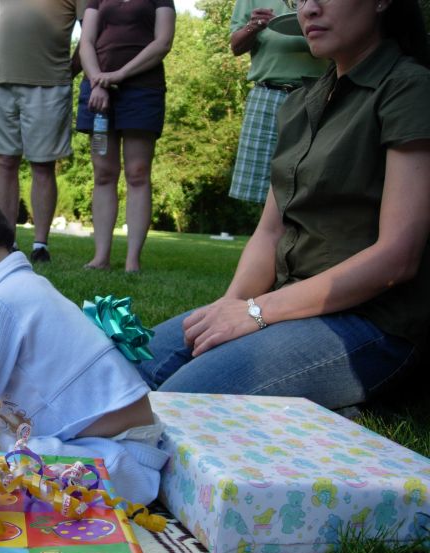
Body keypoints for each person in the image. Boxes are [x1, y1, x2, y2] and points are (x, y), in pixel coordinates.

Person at [137, 0, 430, 411]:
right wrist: (231, 305)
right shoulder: (300, 104)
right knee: (121, 372)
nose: (309, 9)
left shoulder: (410, 88)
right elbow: (270, 232)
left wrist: (257, 312)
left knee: (174, 407)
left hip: (371, 322)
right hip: (288, 307)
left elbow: (397, 256)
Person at [0, 178, 168, 505]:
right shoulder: (22, 288)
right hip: (119, 449)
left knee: (13, 464)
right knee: (7, 448)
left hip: (116, 462)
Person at [0, 0, 87, 263]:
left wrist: (72, 68)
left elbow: (89, 32)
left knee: (43, 165)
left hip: (50, 84)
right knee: (4, 161)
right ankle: (6, 243)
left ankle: (40, 245)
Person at [77, 0, 176, 273]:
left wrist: (120, 74)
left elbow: (163, 42)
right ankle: (101, 257)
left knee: (137, 172)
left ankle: (133, 260)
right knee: (103, 173)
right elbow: (86, 41)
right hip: (98, 91)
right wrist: (98, 79)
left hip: (142, 90)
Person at [227, 0, 327, 204]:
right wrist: (253, 26)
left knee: (313, 182)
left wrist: (301, 27)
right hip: (266, 94)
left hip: (317, 93)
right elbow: (236, 46)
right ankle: (264, 235)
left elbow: (342, 34)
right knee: (258, 188)